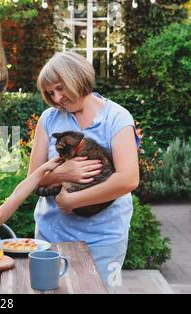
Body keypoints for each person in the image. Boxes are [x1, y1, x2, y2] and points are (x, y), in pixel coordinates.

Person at [29, 51, 140, 292]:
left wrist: (72, 200)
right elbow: (33, 178)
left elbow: (128, 179)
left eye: (60, 88)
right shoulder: (49, 119)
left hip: (103, 240)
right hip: (50, 235)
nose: (57, 98)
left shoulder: (117, 118)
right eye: (50, 93)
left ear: (77, 78)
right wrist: (62, 174)